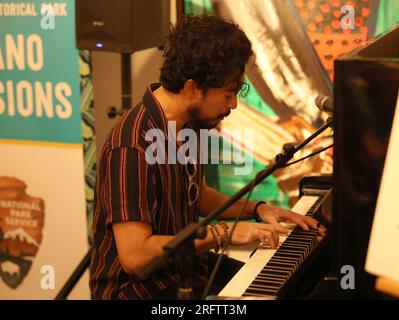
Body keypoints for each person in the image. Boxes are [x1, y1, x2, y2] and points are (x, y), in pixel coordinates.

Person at [89, 14, 324, 300]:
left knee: (292, 285)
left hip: (183, 268)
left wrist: (259, 209)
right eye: (228, 94)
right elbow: (136, 256)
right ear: (191, 89)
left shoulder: (186, 124)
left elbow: (195, 195)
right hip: (140, 291)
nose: (234, 104)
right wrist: (224, 234)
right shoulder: (131, 147)